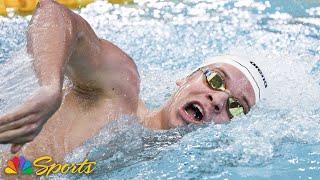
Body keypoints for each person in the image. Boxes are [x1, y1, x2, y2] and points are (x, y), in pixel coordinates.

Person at [0, 0, 268, 161]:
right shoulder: (119, 90)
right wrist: (50, 86)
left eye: (236, 107)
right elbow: (53, 14)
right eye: (216, 80)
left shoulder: (156, 160)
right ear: (184, 79)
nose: (220, 99)